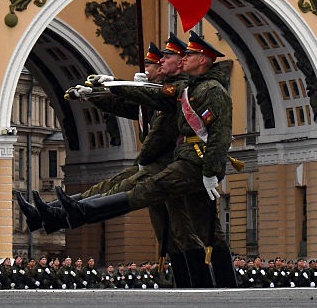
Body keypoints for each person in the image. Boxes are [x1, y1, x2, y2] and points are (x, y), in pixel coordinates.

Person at [54, 31, 236, 287]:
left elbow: (220, 134)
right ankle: (206, 287)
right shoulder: (189, 88)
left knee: (149, 189)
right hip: (187, 160)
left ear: (204, 60)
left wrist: (211, 172)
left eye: (190, 54)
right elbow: (150, 97)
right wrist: (109, 86)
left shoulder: (212, 91)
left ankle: (83, 210)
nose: (184, 58)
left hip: (194, 162)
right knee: (200, 230)